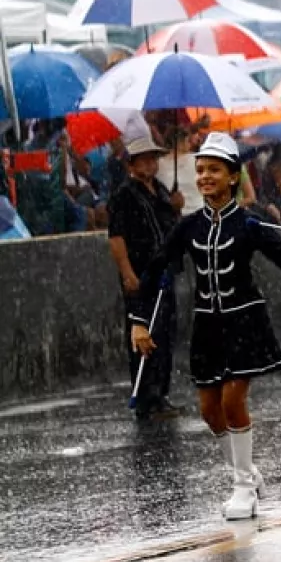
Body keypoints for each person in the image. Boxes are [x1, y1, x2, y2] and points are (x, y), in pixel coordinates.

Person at [131, 133, 281, 520]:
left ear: (233, 176)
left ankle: (243, 488)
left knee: (232, 402)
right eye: (200, 170)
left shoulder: (251, 223)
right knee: (209, 411)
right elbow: (154, 271)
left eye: (214, 170)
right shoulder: (187, 227)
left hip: (245, 321)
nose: (204, 177)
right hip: (207, 327)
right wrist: (139, 321)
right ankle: (248, 472)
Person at [107, 136, 185, 419]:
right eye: (145, 159)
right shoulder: (123, 195)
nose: (151, 164)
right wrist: (127, 273)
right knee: (143, 333)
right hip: (140, 273)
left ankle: (160, 394)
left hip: (164, 272)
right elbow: (116, 238)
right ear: (132, 163)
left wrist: (176, 205)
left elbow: (172, 225)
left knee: (165, 332)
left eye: (154, 158)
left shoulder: (161, 190)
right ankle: (145, 397)